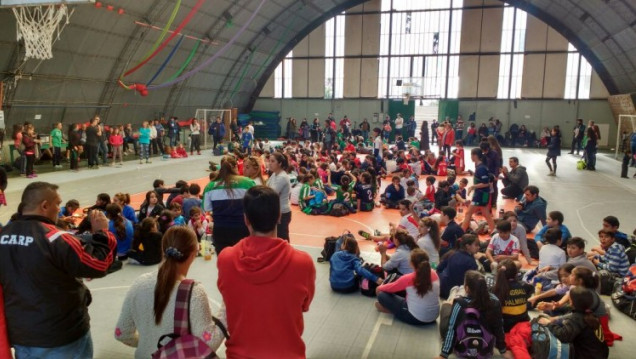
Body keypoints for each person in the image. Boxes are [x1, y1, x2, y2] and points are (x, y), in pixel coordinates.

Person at [0, 182, 116, 358]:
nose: (59, 208)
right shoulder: (56, 238)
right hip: (62, 336)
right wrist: (103, 233)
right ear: (45, 205)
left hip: (23, 336)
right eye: (57, 204)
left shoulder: (3, 235)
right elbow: (99, 265)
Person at [217, 186, 315, 358]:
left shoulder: (225, 259)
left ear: (246, 219)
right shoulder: (303, 263)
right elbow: (304, 306)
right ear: (278, 217)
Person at [115, 226, 226, 357]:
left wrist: (147, 342)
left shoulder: (138, 283)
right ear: (194, 253)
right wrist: (226, 310)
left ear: (163, 249)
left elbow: (121, 333)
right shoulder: (194, 293)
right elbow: (209, 342)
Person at [436, 271, 512, 359]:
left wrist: (443, 355)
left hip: (462, 348)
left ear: (467, 288)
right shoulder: (495, 302)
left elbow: (451, 329)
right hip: (485, 350)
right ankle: (455, 291)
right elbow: (499, 328)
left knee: (446, 306)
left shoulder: (460, 303)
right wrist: (503, 350)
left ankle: (454, 291)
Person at [202, 156, 255, 254]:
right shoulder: (247, 182)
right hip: (242, 228)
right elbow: (255, 204)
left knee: (224, 260)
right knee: (243, 258)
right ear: (235, 167)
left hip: (220, 229)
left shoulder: (210, 186)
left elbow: (206, 208)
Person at [539, 287, 609, 359]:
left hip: (587, 355)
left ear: (571, 302)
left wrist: (548, 324)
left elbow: (563, 336)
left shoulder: (576, 319)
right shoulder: (590, 313)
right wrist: (551, 306)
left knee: (550, 344)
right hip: (601, 353)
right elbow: (568, 309)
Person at [375, 249, 440, 325]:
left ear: (412, 263)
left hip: (415, 318)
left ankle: (391, 310)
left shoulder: (409, 278)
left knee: (382, 295)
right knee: (405, 288)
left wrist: (379, 287)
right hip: (433, 317)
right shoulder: (434, 274)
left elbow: (388, 288)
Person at [493, 259, 533, 332]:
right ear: (516, 273)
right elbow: (530, 291)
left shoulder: (493, 290)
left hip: (504, 328)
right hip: (522, 327)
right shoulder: (525, 286)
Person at [461, 148, 496, 233]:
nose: (471, 157)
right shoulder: (480, 167)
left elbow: (486, 183)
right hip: (482, 194)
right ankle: (494, 231)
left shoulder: (481, 168)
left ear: (475, 155)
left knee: (468, 213)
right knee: (486, 214)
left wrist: (473, 186)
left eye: (471, 155)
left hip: (480, 195)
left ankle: (460, 233)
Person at [437, 234, 480, 299]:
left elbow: (439, 269)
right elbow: (474, 283)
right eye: (476, 245)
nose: (478, 247)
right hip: (456, 293)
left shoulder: (452, 253)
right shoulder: (471, 262)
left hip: (443, 289)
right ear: (467, 246)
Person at [267, 152, 292, 242]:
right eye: (269, 161)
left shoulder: (282, 177)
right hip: (276, 211)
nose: (269, 163)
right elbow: (266, 187)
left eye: (272, 161)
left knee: (282, 239)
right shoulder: (274, 174)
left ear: (280, 163)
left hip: (282, 213)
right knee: (276, 238)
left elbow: (271, 193)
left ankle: (287, 256)